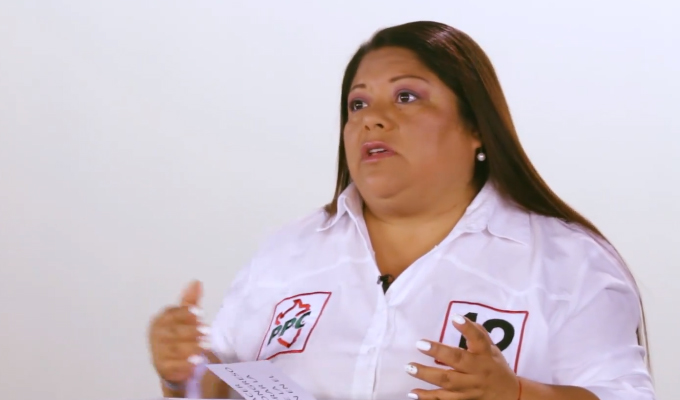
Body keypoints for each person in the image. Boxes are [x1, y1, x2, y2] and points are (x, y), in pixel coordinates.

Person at [147, 21, 655, 400]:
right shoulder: (288, 253)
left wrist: (517, 394)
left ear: (477, 127)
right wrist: (183, 373)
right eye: (358, 104)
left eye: (406, 96)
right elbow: (219, 389)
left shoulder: (568, 263)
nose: (373, 119)